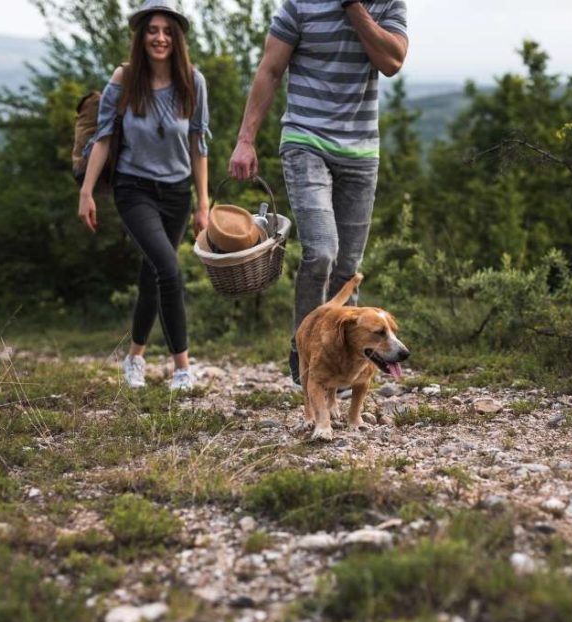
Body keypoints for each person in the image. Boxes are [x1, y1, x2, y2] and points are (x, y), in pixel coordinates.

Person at [228, 0, 408, 389]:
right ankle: (305, 347)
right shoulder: (299, 5)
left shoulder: (389, 4)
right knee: (322, 251)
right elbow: (271, 69)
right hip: (305, 140)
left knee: (348, 265)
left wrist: (354, 9)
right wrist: (246, 140)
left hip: (361, 152)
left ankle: (348, 362)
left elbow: (392, 62)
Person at [78, 0, 210, 391]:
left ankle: (134, 357)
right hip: (134, 189)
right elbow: (102, 138)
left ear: (178, 38)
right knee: (169, 270)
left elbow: (198, 143)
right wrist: (87, 192)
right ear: (141, 36)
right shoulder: (124, 78)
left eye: (167, 31)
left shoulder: (192, 80)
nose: (160, 38)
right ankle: (182, 368)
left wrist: (203, 204)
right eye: (152, 30)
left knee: (154, 275)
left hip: (177, 194)